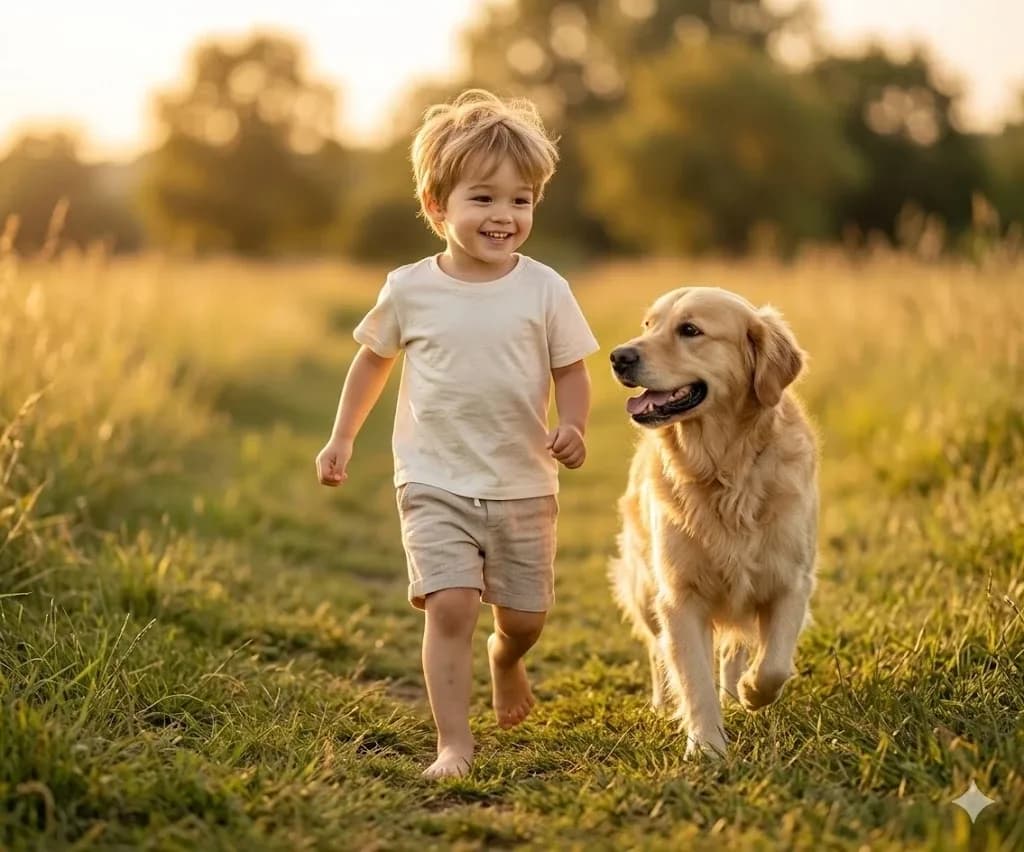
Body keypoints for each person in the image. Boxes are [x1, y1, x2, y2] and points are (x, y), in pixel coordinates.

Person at [315, 89, 599, 778]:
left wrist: (574, 424)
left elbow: (572, 371)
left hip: (522, 482)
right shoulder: (410, 289)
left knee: (524, 618)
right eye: (484, 198)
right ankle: (454, 744)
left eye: (521, 200)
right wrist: (342, 438)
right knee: (449, 606)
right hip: (433, 477)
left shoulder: (546, 289)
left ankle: (507, 661)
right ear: (437, 205)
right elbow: (372, 363)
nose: (504, 216)